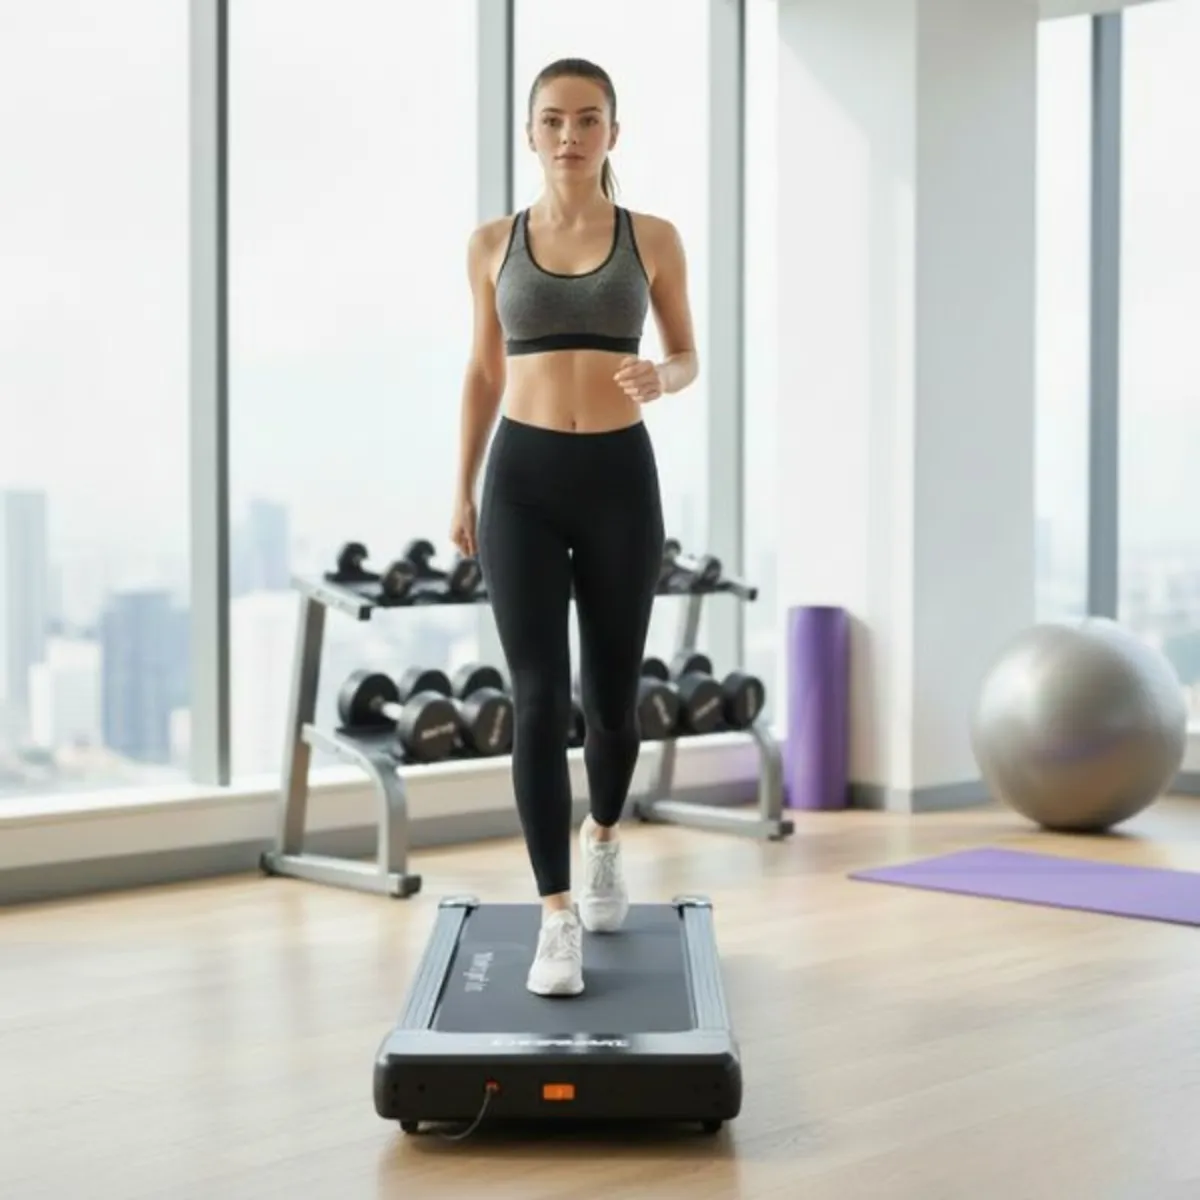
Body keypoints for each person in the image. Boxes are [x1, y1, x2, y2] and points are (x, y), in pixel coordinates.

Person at [449, 57, 698, 998]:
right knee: (537, 696)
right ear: (531, 133)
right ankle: (556, 914)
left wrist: (663, 376)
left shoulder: (653, 238)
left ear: (612, 134)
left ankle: (602, 837)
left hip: (619, 480)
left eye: (588, 119)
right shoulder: (491, 244)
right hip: (521, 482)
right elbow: (484, 372)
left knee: (613, 700)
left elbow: (686, 353)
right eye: (553, 119)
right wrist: (463, 489)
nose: (569, 135)